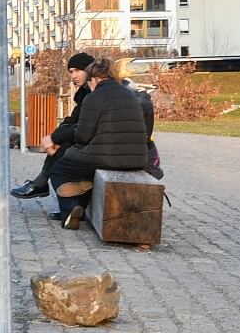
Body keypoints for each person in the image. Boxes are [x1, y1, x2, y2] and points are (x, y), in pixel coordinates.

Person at [48, 57, 150, 230]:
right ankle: (82, 195)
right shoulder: (130, 94)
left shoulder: (93, 98)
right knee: (82, 165)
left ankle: (70, 210)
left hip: (107, 159)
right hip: (138, 159)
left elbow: (82, 136)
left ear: (93, 80)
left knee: (60, 168)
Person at [10, 52, 93, 199]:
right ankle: (61, 198)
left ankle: (58, 196)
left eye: (78, 70)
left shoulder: (94, 94)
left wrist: (53, 138)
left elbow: (83, 126)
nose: (74, 76)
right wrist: (54, 137)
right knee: (63, 145)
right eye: (71, 72)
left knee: (64, 150)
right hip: (92, 141)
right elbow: (72, 120)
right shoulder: (84, 92)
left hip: (103, 145)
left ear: (90, 69)